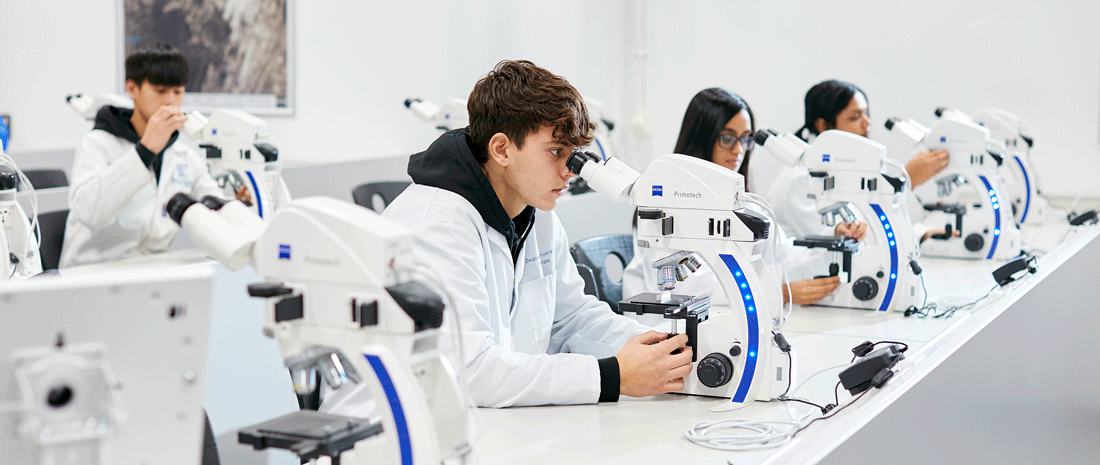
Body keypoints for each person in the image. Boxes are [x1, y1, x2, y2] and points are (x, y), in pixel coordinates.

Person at [371, 60, 691, 408]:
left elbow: (571, 317)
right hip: (404, 429)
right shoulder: (437, 224)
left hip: (497, 419)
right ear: (502, 149)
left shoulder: (535, 212)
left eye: (572, 155)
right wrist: (612, 376)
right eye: (556, 152)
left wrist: (666, 347)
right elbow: (469, 370)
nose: (570, 171)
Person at [622, 88, 867, 311]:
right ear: (702, 138)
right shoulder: (669, 199)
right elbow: (688, 287)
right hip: (666, 331)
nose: (739, 150)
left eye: (745, 139)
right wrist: (776, 293)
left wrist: (834, 242)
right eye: (728, 138)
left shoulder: (742, 201)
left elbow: (779, 254)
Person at [60, 43, 226, 268]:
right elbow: (89, 212)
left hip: (153, 269)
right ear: (132, 88)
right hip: (95, 270)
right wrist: (145, 151)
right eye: (160, 91)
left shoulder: (183, 155)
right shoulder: (98, 144)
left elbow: (215, 204)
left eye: (178, 92)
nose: (171, 102)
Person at [766, 80, 942, 242]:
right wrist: (907, 179)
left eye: (866, 114)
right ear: (823, 126)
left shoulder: (848, 166)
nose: (867, 123)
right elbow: (851, 238)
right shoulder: (802, 179)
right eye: (855, 117)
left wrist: (921, 234)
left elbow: (875, 223)